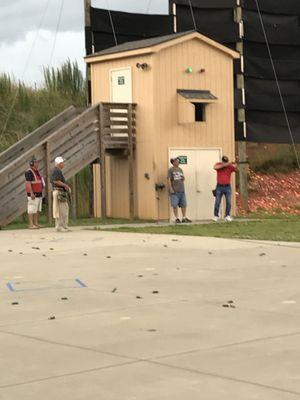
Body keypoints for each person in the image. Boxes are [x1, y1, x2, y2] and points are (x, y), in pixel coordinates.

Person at [213, 155, 237, 222]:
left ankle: (227, 216)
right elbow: (215, 167)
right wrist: (226, 165)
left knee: (228, 202)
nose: (225, 163)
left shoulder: (229, 167)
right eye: (224, 161)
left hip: (227, 186)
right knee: (217, 202)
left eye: (226, 161)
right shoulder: (219, 164)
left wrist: (234, 165)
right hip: (219, 186)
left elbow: (235, 169)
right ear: (222, 161)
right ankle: (216, 216)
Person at [167, 157, 192, 224]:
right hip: (174, 191)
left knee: (184, 204)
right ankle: (176, 218)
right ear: (173, 162)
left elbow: (183, 179)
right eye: (177, 161)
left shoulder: (180, 169)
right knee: (175, 205)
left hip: (182, 190)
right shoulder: (170, 170)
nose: (178, 162)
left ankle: (184, 217)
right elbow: (169, 180)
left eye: (178, 161)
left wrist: (183, 178)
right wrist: (171, 188)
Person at [50, 156, 71, 232]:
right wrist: (65, 185)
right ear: (59, 163)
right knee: (61, 210)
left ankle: (63, 225)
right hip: (59, 192)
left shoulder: (57, 171)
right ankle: (60, 226)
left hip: (59, 192)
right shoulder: (57, 171)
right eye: (62, 162)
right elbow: (55, 181)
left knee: (63, 209)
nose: (63, 164)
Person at [25, 157, 45, 229]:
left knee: (37, 209)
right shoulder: (29, 172)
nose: (37, 163)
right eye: (36, 162)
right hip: (33, 194)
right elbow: (28, 183)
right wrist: (31, 193)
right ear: (32, 164)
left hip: (39, 193)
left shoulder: (36, 171)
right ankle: (31, 224)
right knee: (31, 208)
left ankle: (36, 223)